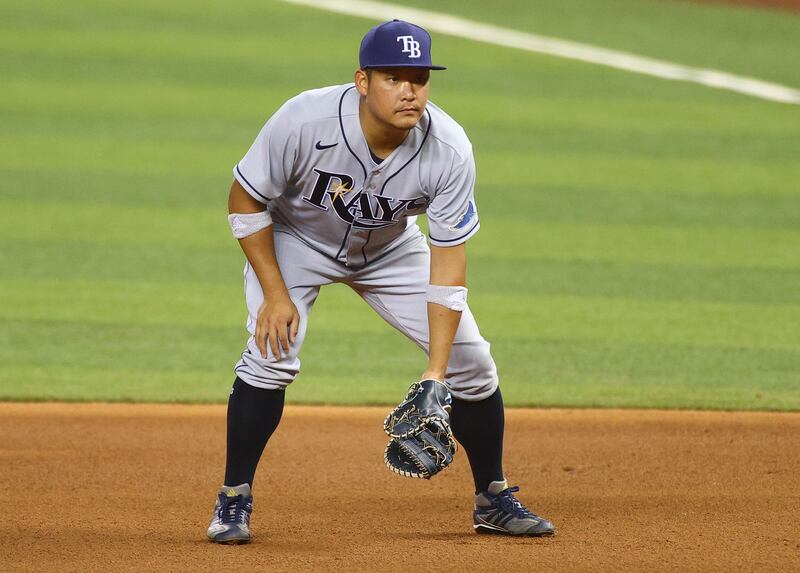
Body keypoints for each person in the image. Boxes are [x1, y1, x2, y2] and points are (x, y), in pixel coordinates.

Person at [206, 19, 555, 544]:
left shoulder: (450, 150)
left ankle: (493, 499)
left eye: (419, 77)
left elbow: (448, 268)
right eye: (393, 77)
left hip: (391, 249)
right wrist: (275, 294)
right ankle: (234, 499)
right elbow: (244, 200)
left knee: (473, 364)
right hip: (298, 240)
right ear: (362, 81)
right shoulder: (305, 119)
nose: (409, 90)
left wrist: (436, 374)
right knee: (271, 353)